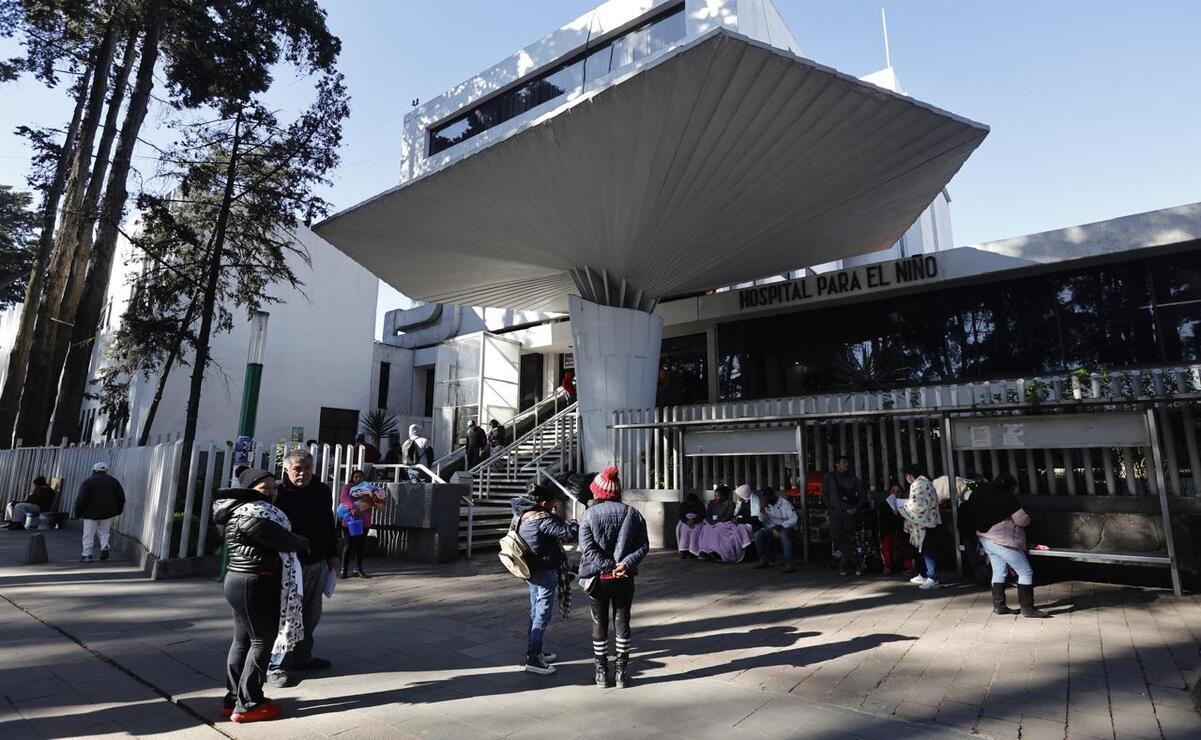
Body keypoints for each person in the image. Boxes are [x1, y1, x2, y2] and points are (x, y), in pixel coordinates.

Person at [213, 468, 309, 723]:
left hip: (242, 581)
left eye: (273, 487)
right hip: (256, 581)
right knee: (261, 642)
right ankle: (249, 703)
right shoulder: (254, 513)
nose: (271, 492)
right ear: (249, 490)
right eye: (264, 488)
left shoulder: (240, 510)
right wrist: (304, 541)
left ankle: (234, 698)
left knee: (243, 641)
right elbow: (287, 541)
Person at [266, 450, 338, 688]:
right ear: (287, 470)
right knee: (286, 617)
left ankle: (302, 657)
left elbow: (329, 521)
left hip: (317, 562)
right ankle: (276, 665)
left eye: (307, 468)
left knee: (311, 614)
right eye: (298, 468)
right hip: (289, 564)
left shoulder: (321, 490)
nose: (303, 473)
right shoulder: (277, 493)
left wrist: (333, 553)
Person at [579, 466, 649, 689]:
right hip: (624, 577)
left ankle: (601, 672)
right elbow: (643, 546)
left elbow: (587, 548)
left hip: (597, 578)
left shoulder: (589, 515)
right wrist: (623, 565)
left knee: (599, 622)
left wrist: (608, 566)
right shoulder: (633, 513)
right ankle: (621, 673)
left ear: (598, 492)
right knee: (622, 621)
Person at [511, 482, 579, 675]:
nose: (555, 504)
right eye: (553, 502)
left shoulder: (522, 514)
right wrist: (573, 521)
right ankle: (534, 658)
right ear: (544, 502)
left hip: (532, 569)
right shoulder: (542, 518)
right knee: (542, 613)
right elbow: (568, 534)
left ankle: (535, 650)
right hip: (544, 570)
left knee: (535, 611)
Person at [970, 474, 1048, 618]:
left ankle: (999, 606)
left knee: (999, 571)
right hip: (1004, 541)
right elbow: (1022, 520)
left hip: (986, 539)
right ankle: (1028, 609)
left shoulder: (981, 494)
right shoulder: (1007, 498)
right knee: (1025, 572)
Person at [896, 464, 941, 590]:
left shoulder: (919, 484)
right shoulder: (926, 483)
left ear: (911, 475)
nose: (907, 478)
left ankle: (932, 577)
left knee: (927, 550)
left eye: (907, 475)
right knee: (924, 550)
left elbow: (917, 506)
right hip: (929, 521)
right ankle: (924, 574)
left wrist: (902, 507)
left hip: (925, 523)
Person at [823, 455, 869, 577]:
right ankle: (857, 561)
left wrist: (856, 508)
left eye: (847, 463)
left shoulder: (853, 478)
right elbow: (825, 494)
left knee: (848, 539)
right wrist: (830, 508)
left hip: (849, 512)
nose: (846, 465)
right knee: (836, 537)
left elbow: (863, 495)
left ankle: (844, 566)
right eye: (843, 462)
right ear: (837, 464)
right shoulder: (830, 477)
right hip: (835, 512)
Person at [337, 470, 387, 579]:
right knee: (348, 544)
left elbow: (376, 502)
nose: (358, 479)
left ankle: (358, 569)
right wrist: (352, 509)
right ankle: (343, 570)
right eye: (356, 477)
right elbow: (344, 499)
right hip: (349, 521)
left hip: (364, 522)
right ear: (352, 478)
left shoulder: (369, 489)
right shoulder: (347, 487)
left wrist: (378, 499)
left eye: (360, 477)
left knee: (360, 546)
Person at [74, 462, 125, 562]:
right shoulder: (114, 481)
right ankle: (105, 545)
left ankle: (87, 554)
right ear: (106, 470)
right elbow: (121, 497)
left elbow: (81, 499)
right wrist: (118, 510)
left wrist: (78, 513)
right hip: (108, 512)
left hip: (90, 513)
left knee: (88, 533)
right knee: (104, 531)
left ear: (94, 470)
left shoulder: (88, 482)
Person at [696, 484, 753, 563]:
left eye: (718, 496)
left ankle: (718, 551)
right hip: (711, 523)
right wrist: (710, 521)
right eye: (715, 495)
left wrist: (717, 521)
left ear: (723, 497)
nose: (716, 498)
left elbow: (728, 516)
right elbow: (707, 514)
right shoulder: (711, 503)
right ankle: (705, 551)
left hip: (723, 523)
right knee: (706, 529)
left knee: (718, 530)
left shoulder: (729, 504)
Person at [753, 487, 798, 572]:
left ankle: (789, 563)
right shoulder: (766, 505)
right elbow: (762, 520)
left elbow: (794, 519)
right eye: (763, 497)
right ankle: (763, 560)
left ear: (771, 496)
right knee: (758, 534)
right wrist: (762, 510)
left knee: (783, 535)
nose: (764, 499)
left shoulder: (785, 503)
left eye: (766, 497)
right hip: (773, 528)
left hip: (788, 527)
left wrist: (782, 525)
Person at [675, 492, 706, 559]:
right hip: (685, 522)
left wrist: (694, 520)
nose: (691, 503)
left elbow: (702, 515)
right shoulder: (683, 505)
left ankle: (693, 551)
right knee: (684, 533)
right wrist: (687, 521)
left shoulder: (700, 505)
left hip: (697, 522)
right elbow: (681, 515)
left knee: (696, 533)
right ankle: (684, 550)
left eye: (692, 502)